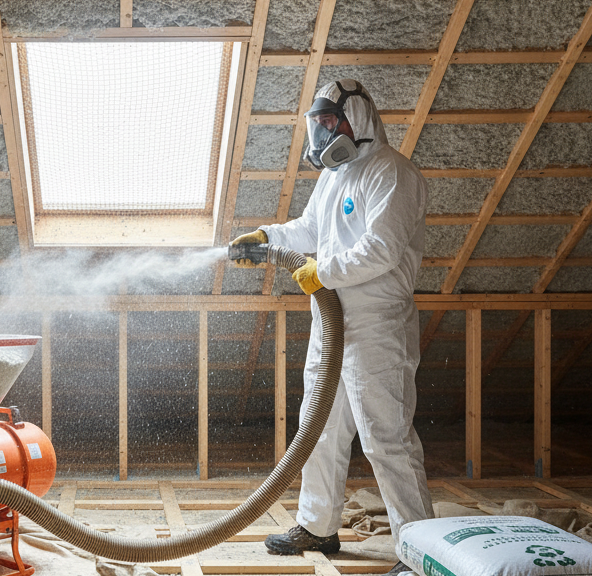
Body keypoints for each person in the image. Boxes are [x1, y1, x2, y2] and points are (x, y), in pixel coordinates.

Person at [231, 79, 433, 576]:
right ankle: (318, 525)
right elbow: (311, 229)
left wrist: (322, 272)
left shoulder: (392, 174)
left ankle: (420, 547)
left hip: (377, 325)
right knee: (317, 429)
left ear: (356, 121)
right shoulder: (336, 175)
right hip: (332, 322)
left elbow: (381, 251)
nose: (321, 137)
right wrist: (267, 236)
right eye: (316, 126)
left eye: (328, 124)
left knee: (385, 438)